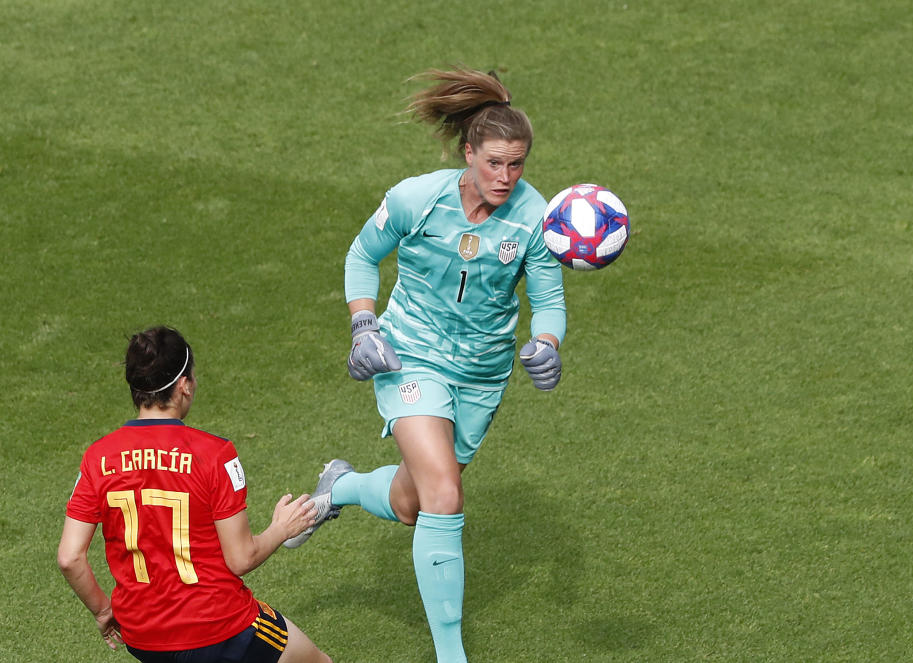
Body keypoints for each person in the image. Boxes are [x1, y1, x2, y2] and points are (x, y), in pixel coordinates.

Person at [285, 67, 566, 663]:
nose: (504, 177)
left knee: (417, 503)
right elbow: (363, 255)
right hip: (410, 353)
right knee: (445, 494)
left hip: (482, 375)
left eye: (516, 164)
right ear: (468, 153)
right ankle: (451, 655)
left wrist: (548, 344)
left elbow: (549, 300)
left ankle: (345, 486)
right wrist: (364, 324)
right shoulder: (418, 197)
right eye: (493, 163)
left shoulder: (536, 217)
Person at [57, 326, 334, 663]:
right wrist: (282, 529)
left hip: (142, 636)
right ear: (184, 386)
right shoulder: (215, 454)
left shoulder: (97, 458)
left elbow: (70, 558)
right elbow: (241, 558)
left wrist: (103, 612)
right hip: (220, 627)